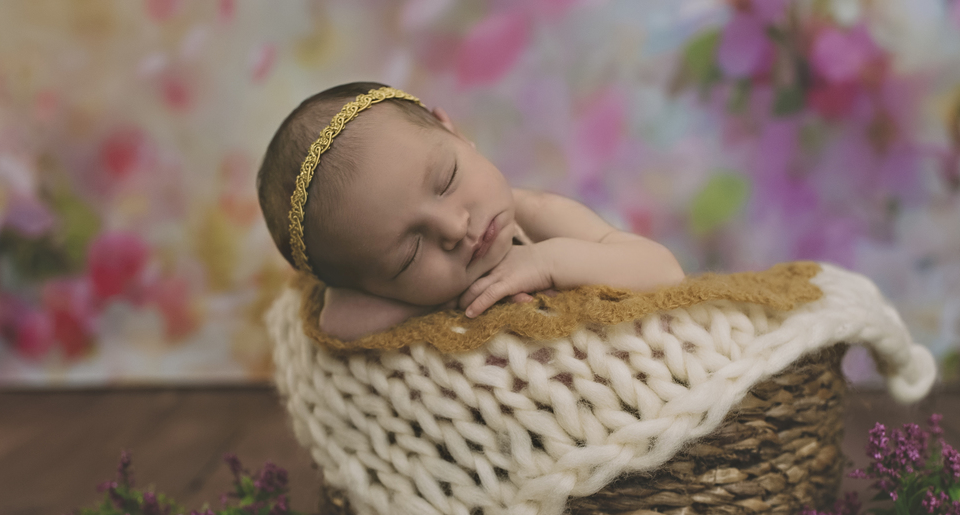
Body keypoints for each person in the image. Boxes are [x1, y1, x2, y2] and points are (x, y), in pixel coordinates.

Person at [257, 82, 685, 341]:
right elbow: (336, 320)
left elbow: (663, 270)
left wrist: (545, 262)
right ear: (375, 286)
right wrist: (446, 298)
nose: (453, 227)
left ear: (456, 133)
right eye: (409, 254)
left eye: (446, 180)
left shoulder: (536, 214)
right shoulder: (403, 293)